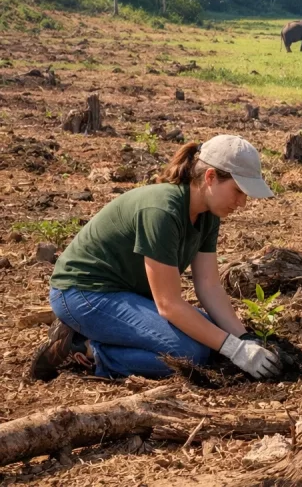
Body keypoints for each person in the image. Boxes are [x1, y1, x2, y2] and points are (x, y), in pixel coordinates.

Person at [30, 135, 282, 381]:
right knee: (190, 354)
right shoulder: (162, 211)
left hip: (124, 294)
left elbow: (209, 286)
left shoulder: (208, 214)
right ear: (210, 177)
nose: (242, 203)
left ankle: (98, 335)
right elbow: (169, 304)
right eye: (238, 191)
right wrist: (234, 350)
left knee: (210, 341)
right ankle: (87, 350)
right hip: (83, 292)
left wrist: (244, 339)